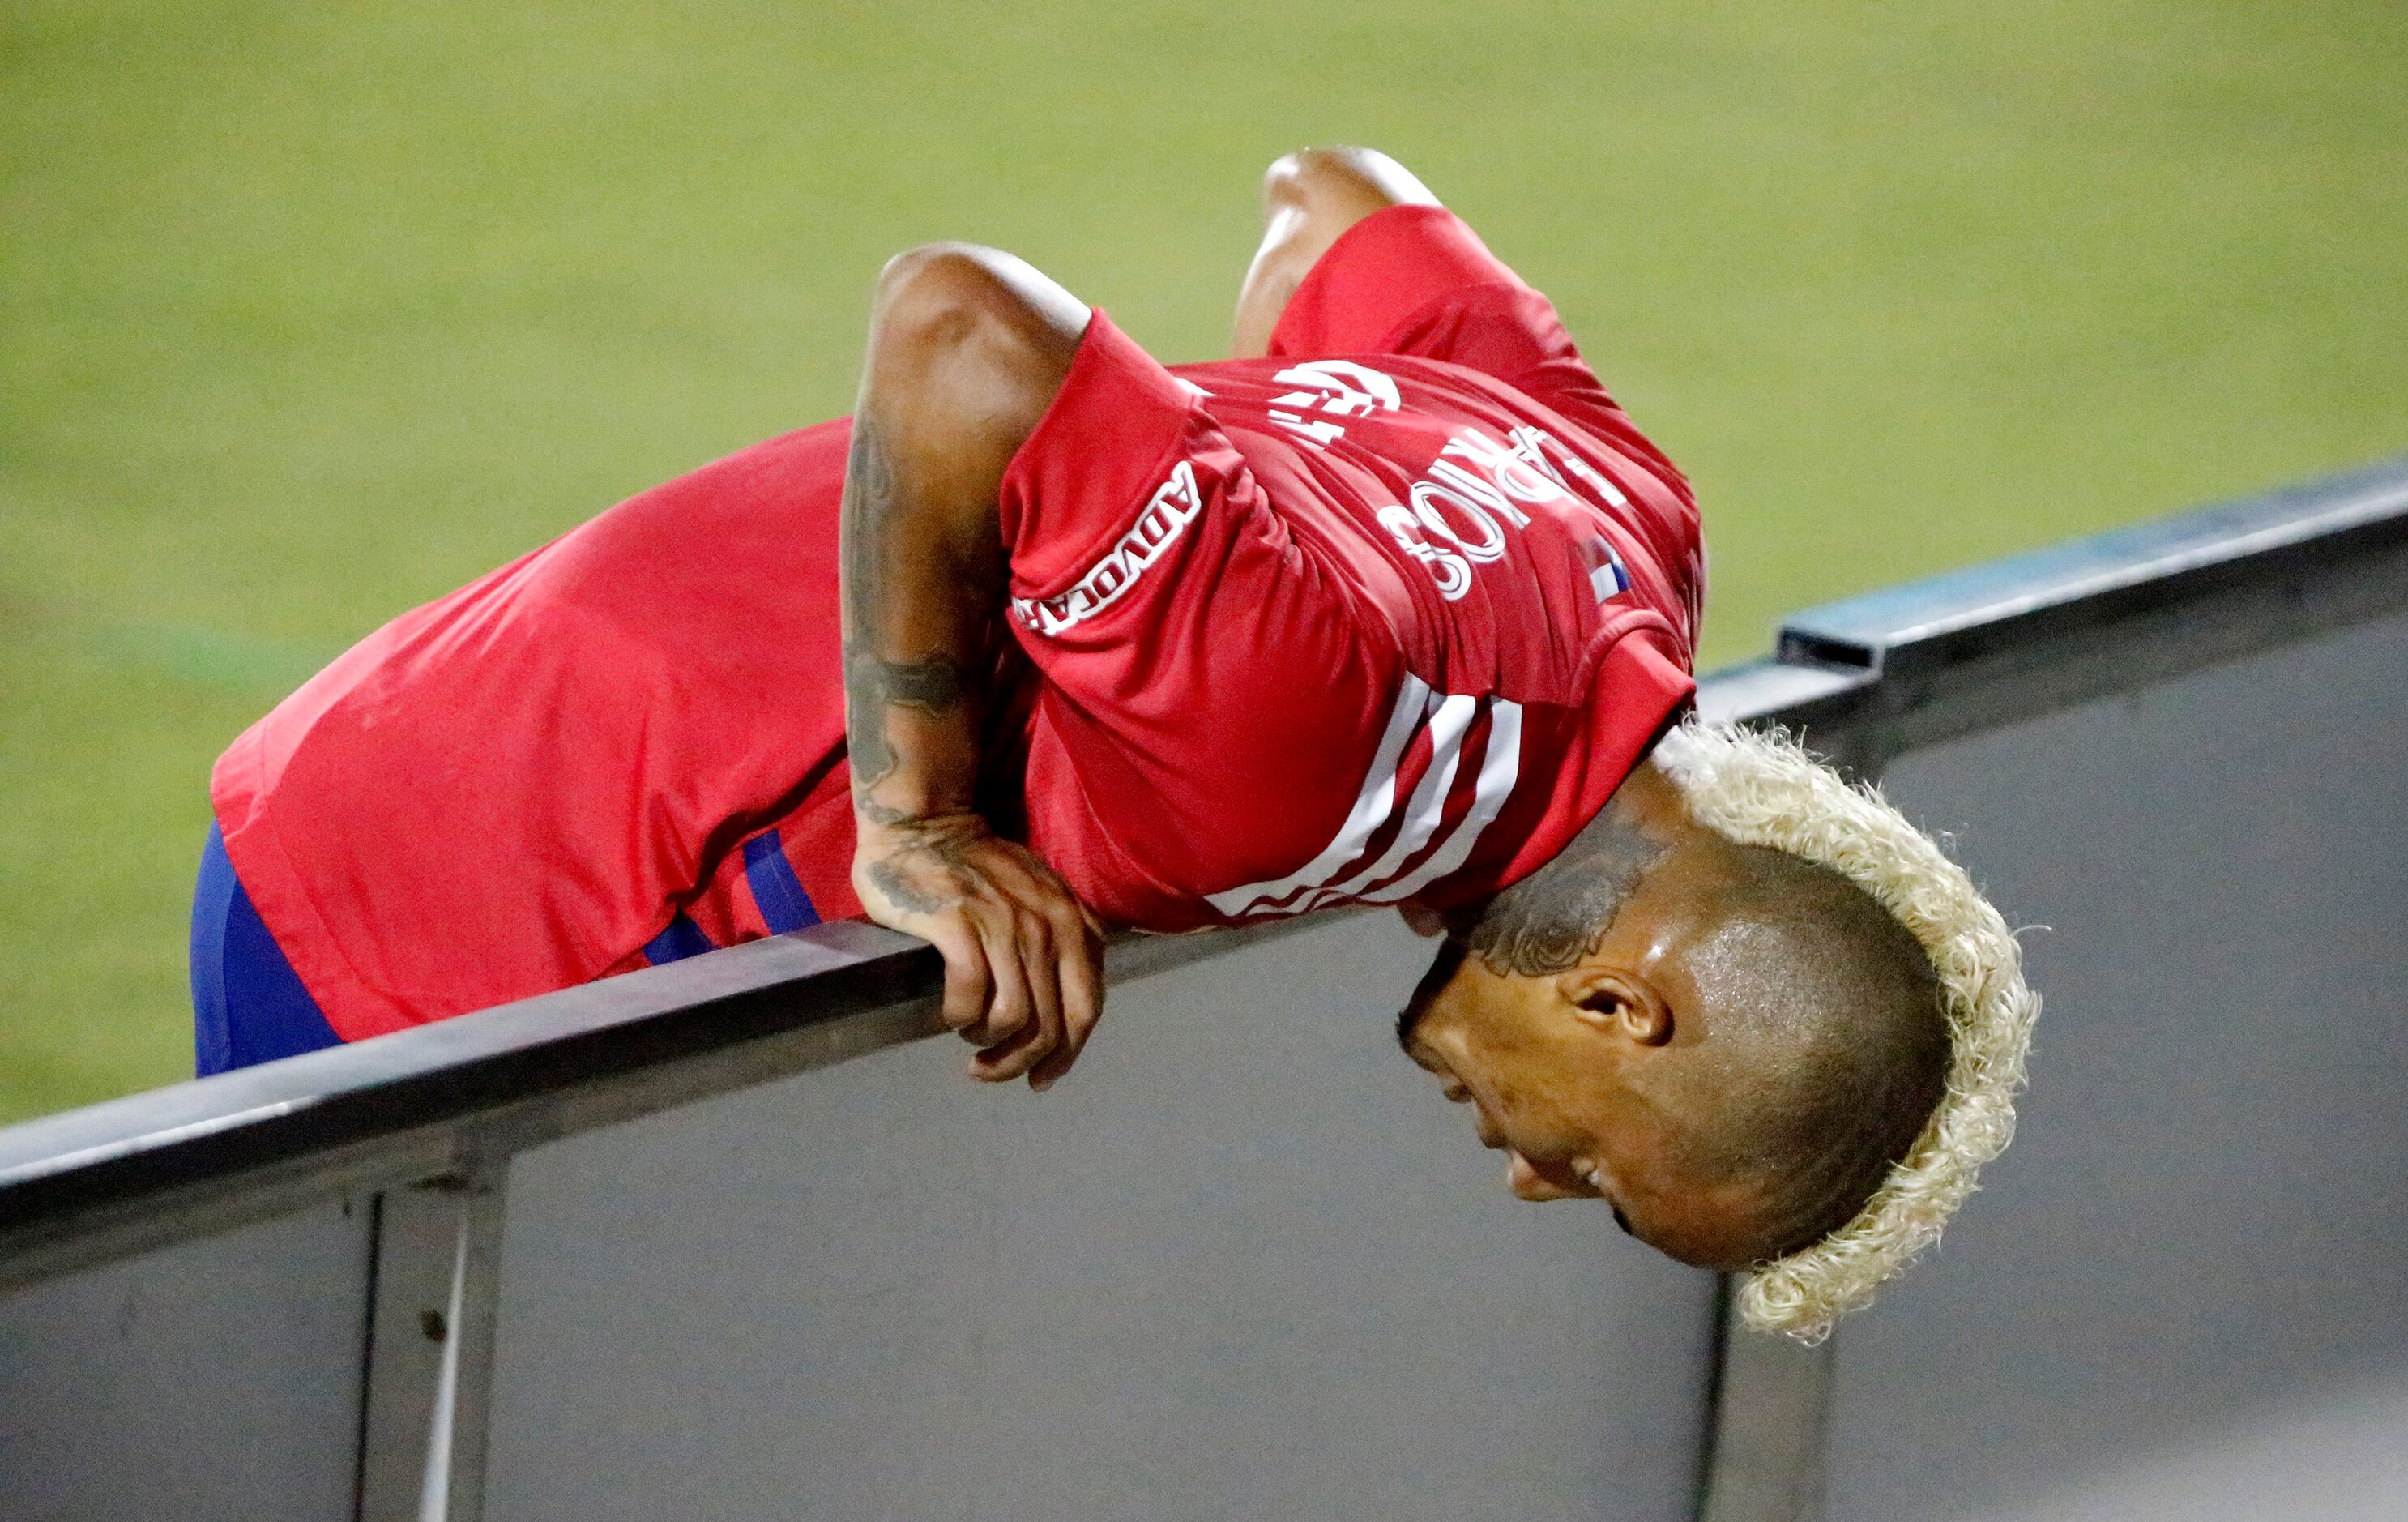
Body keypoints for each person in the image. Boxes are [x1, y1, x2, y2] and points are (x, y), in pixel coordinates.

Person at [193, 147, 2035, 1340]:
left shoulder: (1630, 535)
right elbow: (963, 326)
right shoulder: (1299, 741)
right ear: (1629, 1012)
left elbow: (1336, 202)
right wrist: (920, 816)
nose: (1532, 1180)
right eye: (1607, 1182)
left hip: (527, 785)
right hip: (432, 898)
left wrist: (1245, 522)